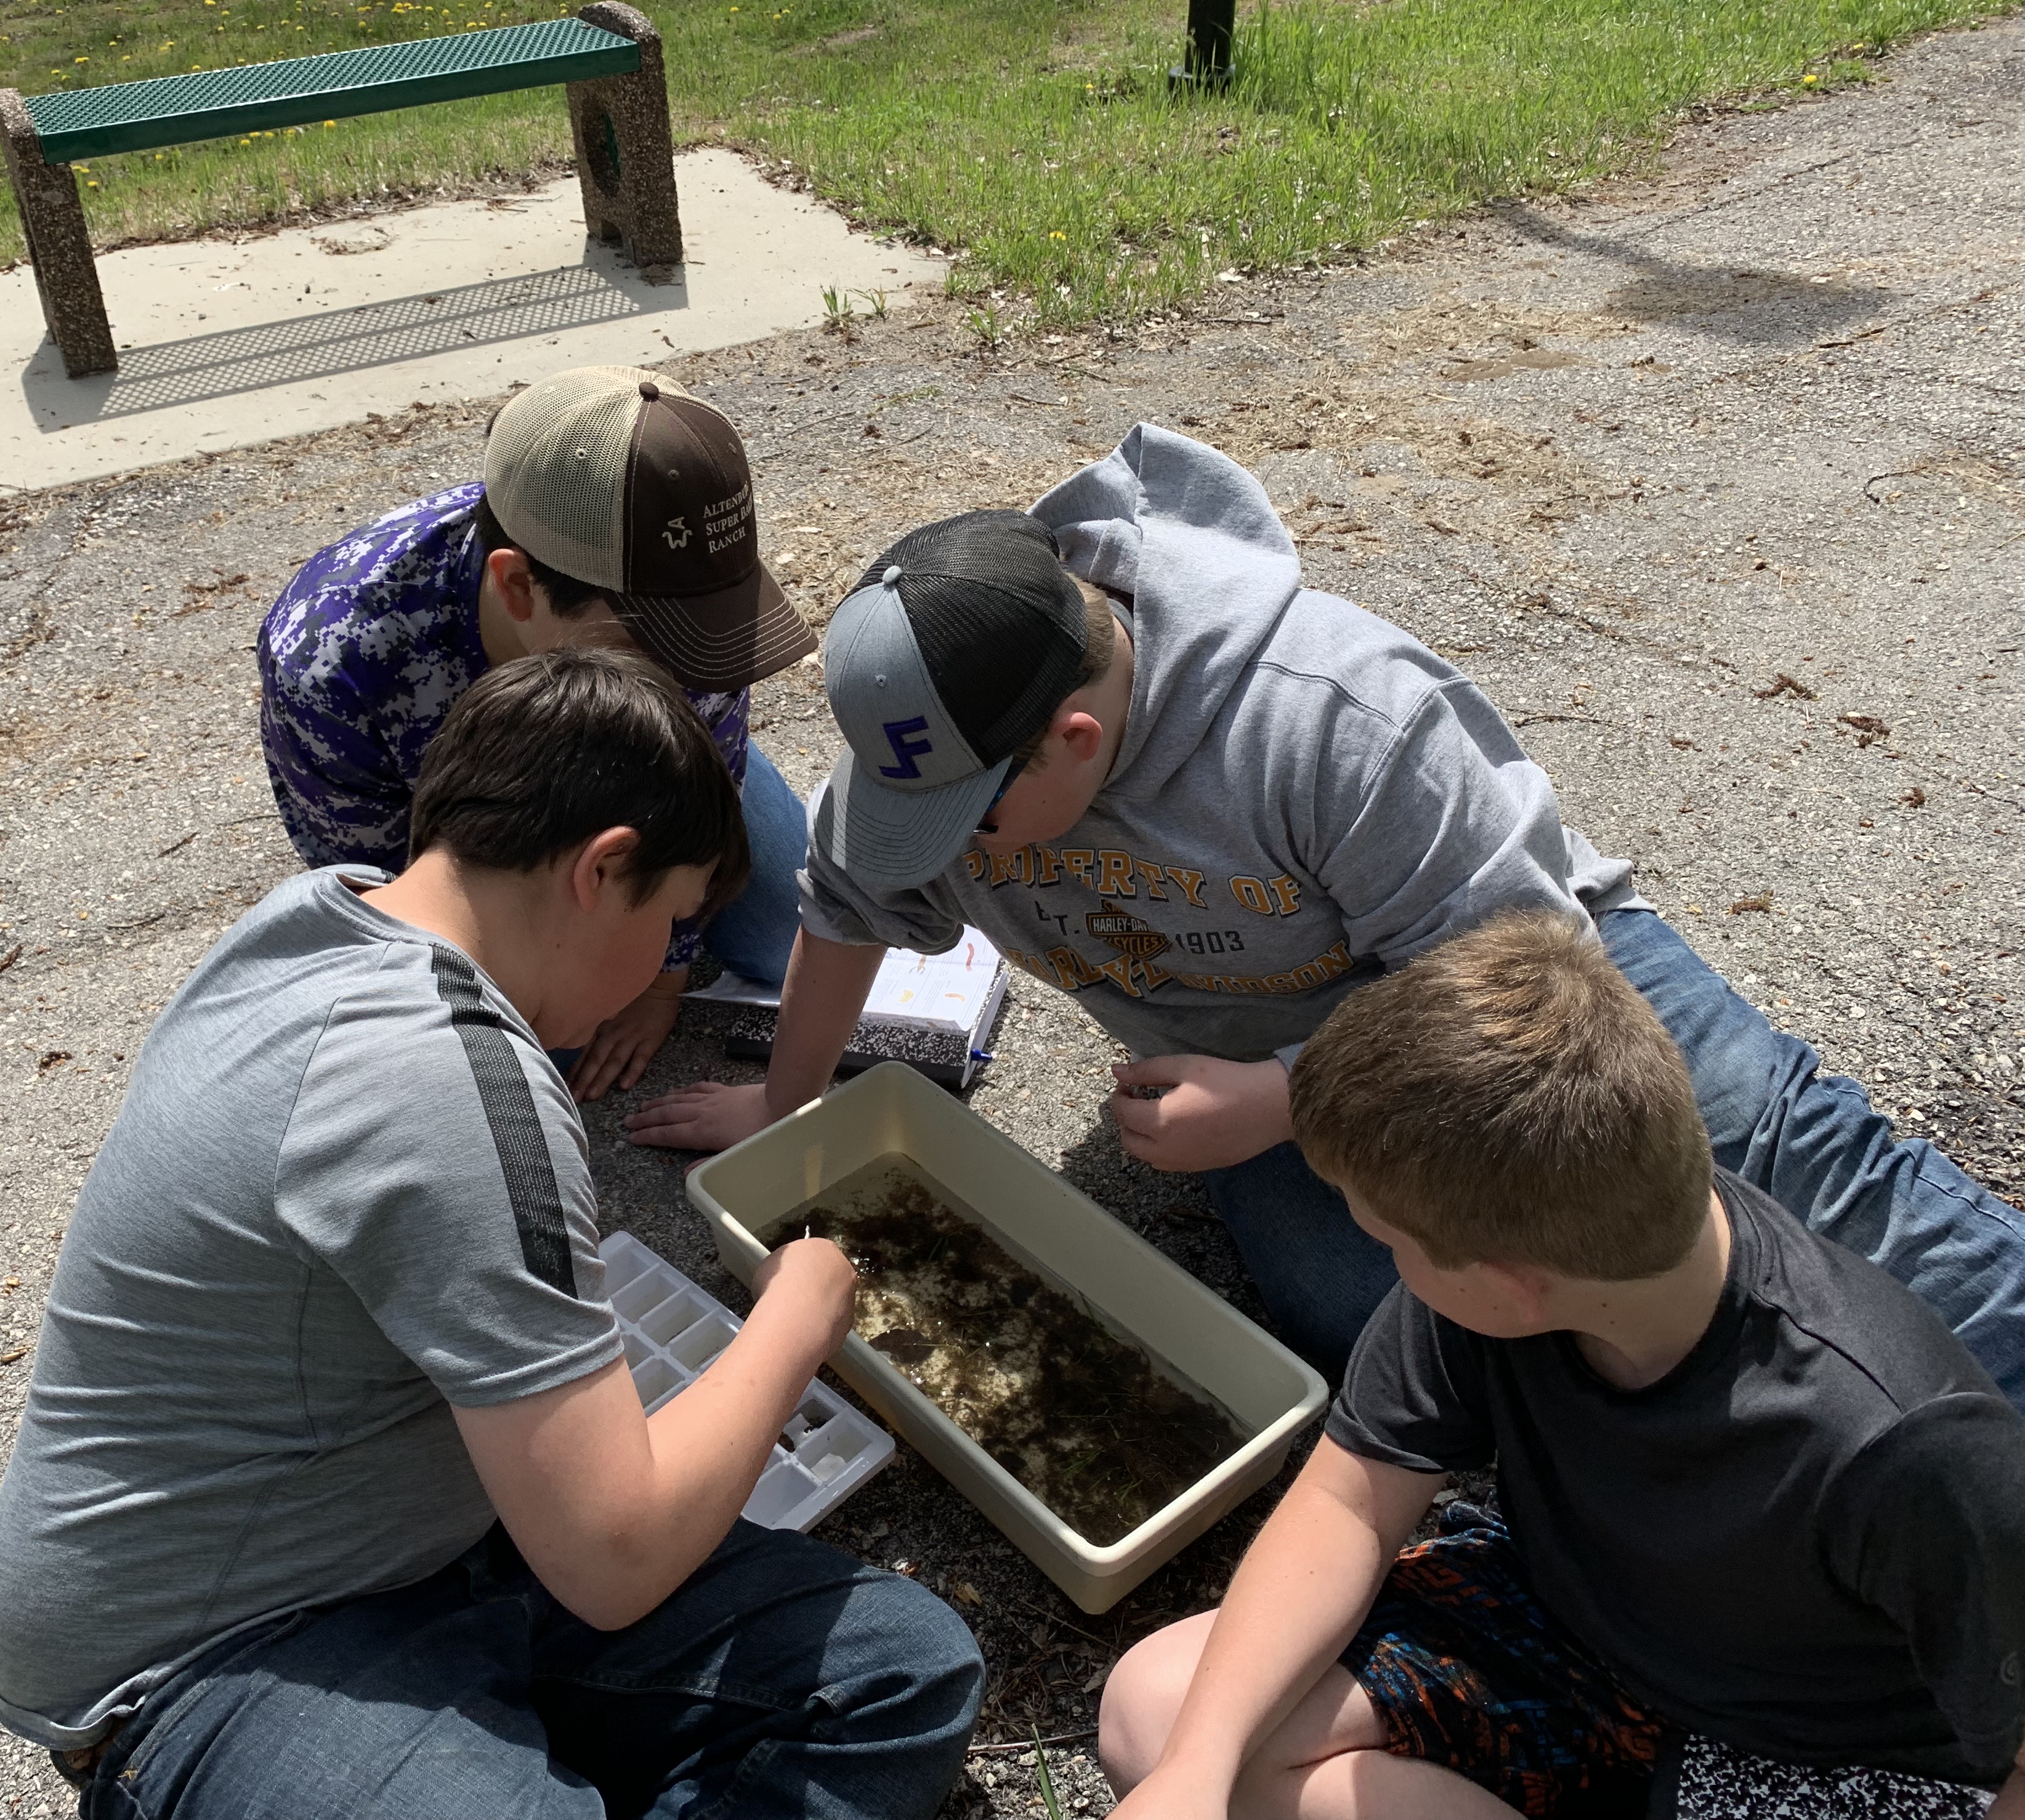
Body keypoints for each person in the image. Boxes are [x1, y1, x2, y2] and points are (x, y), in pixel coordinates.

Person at [625, 425, 2025, 1407]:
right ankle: (1750, 1444)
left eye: (968, 822)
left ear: (1071, 738)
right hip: (1271, 1082)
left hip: (1526, 989)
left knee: (1782, 1162)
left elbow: (1526, 967)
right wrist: (787, 1105)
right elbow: (844, 903)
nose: (943, 856)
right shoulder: (938, 769)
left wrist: (1279, 1098)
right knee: (1372, 1320)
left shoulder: (1330, 717)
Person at [0, 649, 983, 1819]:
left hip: (431, 1537)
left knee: (898, 1672)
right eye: (671, 923)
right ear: (601, 870)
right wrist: (800, 1310)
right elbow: (614, 1558)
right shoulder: (456, 1083)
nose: (660, 967)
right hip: (213, 1650)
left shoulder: (325, 914)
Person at [1096, 910, 2025, 1819]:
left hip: (1809, 1754)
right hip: (1578, 1627)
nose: (1388, 1266)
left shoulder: (1905, 1445)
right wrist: (1197, 1772)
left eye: (1391, 1244)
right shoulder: (1536, 1244)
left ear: (1513, 1289)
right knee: (1160, 1720)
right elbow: (1349, 1503)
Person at [258, 363, 818, 1102]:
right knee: (521, 1053)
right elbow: (392, 897)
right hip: (481, 850)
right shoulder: (334, 660)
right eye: (650, 647)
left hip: (646, 781)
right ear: (518, 586)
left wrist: (662, 976)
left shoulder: (684, 616)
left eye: (708, 635)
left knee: (794, 942)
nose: (688, 679)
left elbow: (705, 766)